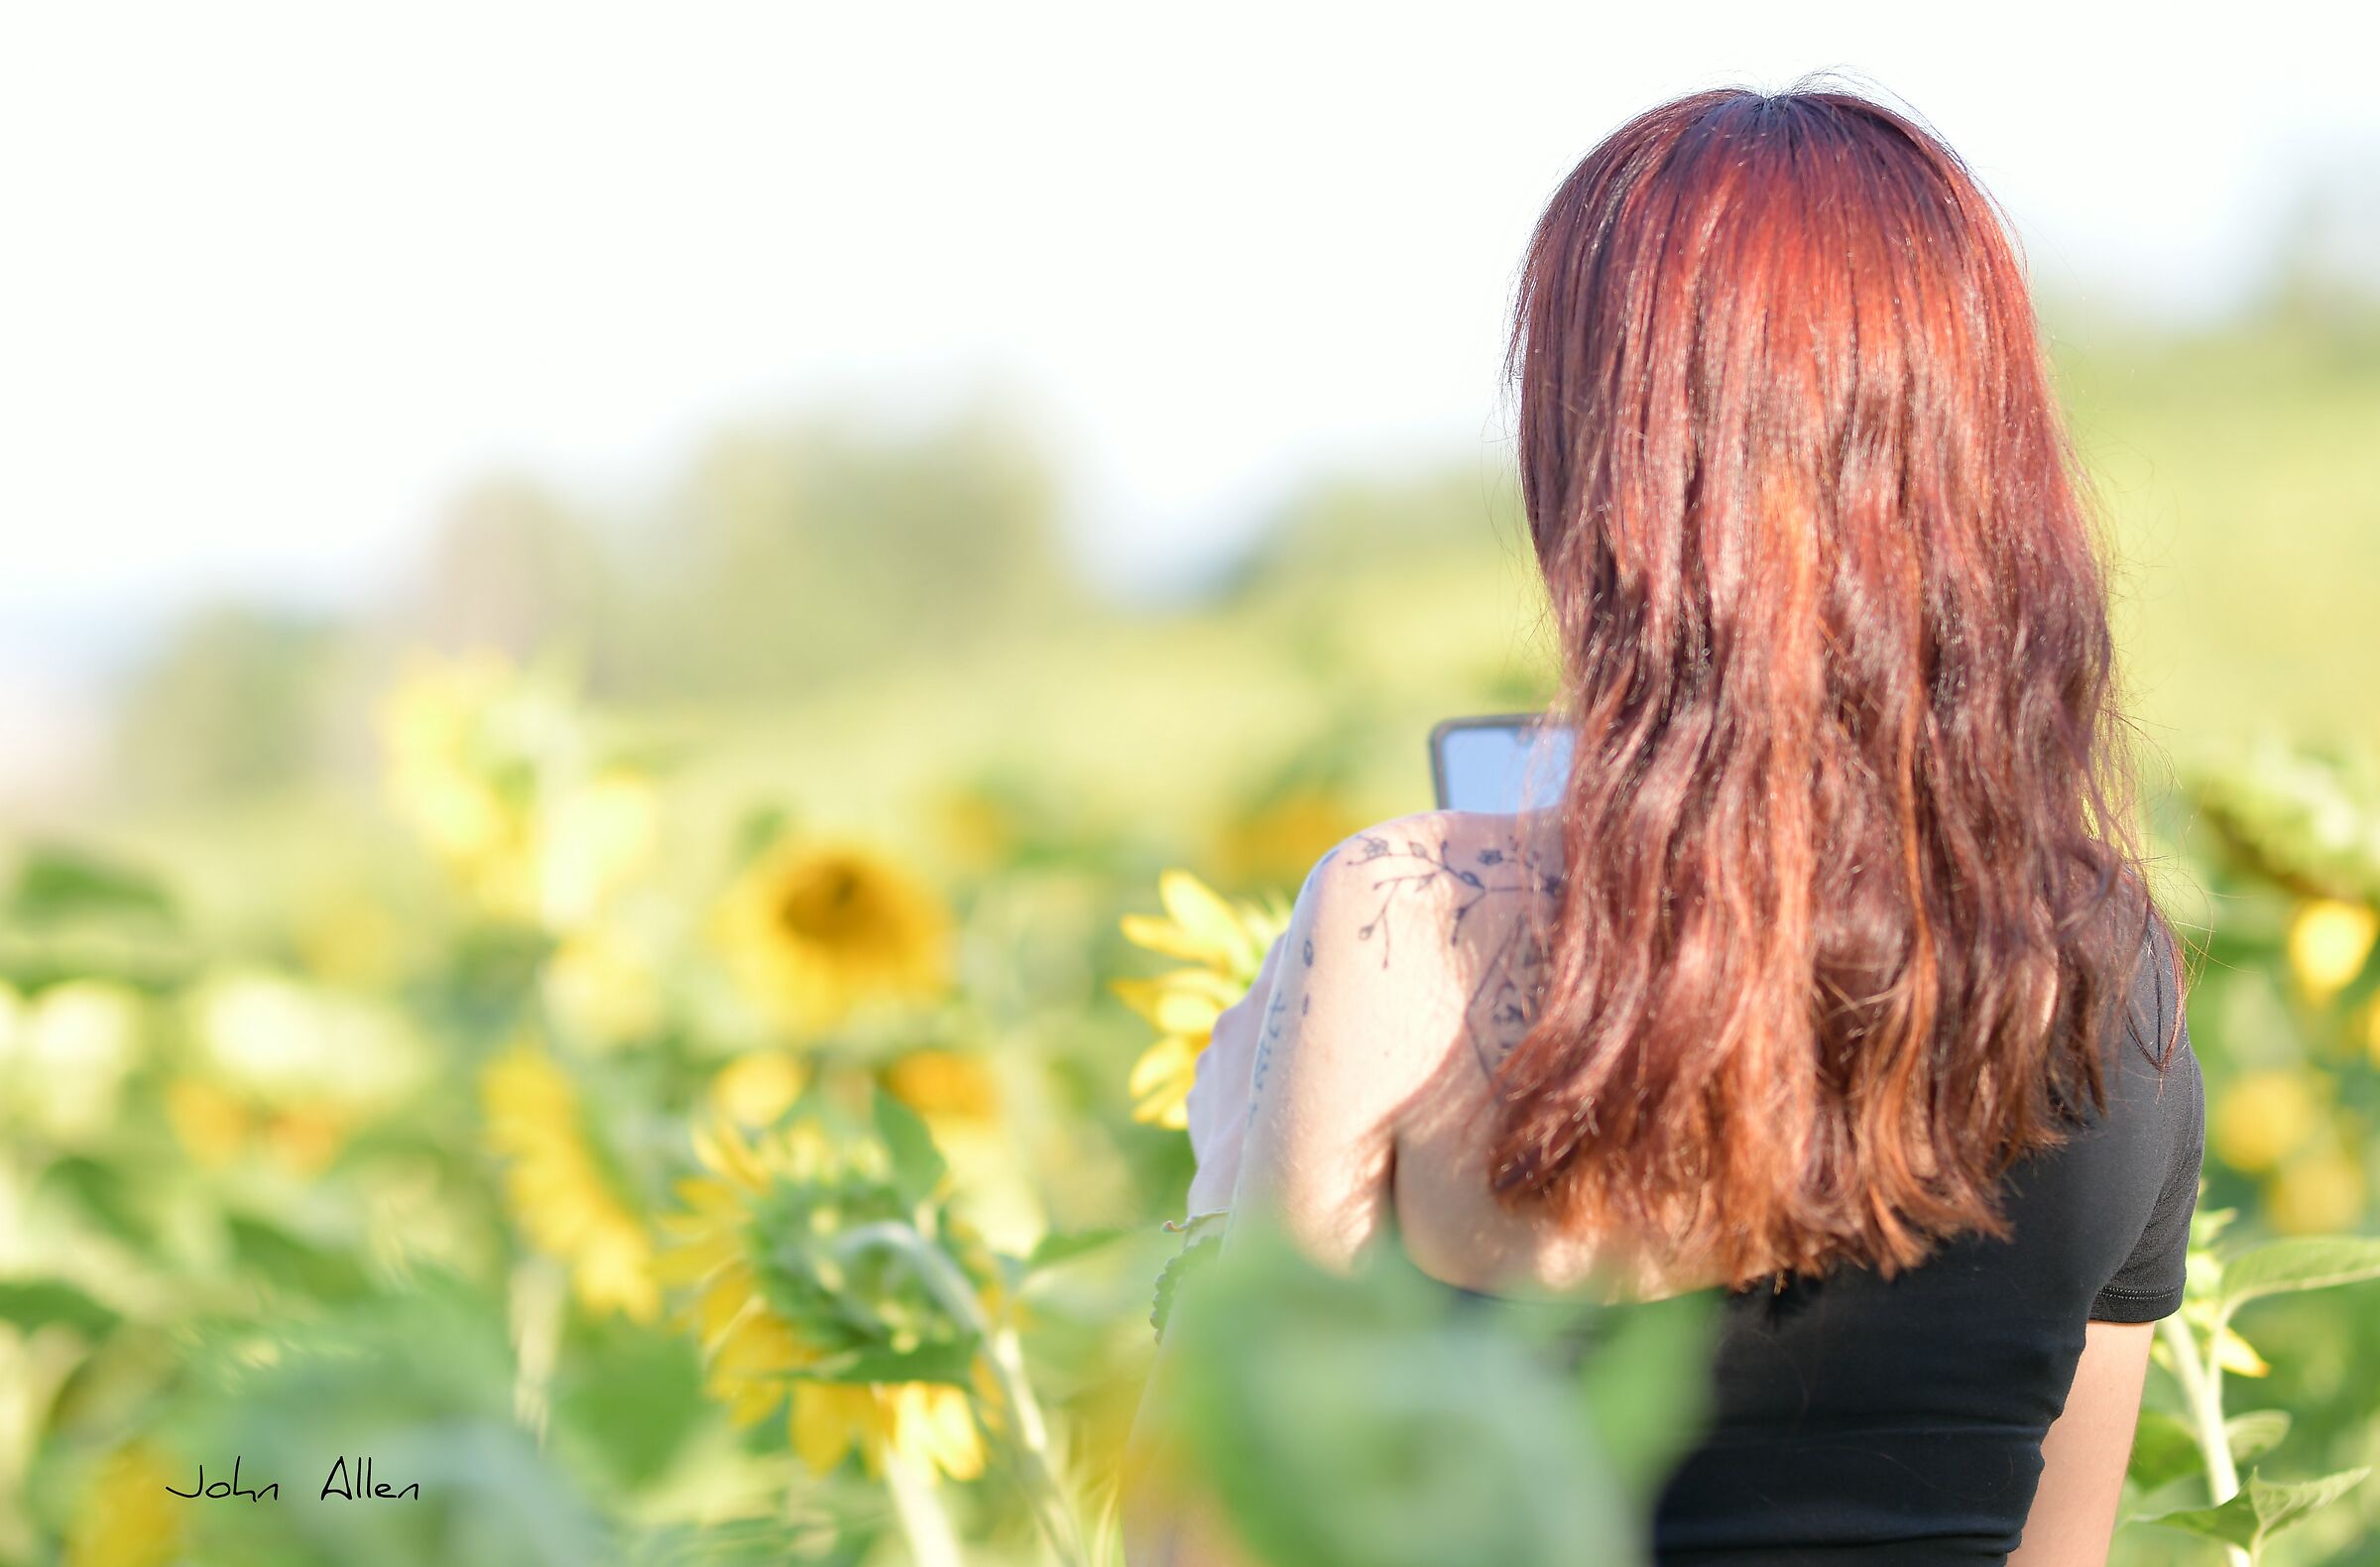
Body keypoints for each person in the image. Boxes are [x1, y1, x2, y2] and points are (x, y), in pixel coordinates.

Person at [1120, 81, 2203, 1567]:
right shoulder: (2109, 974)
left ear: (1615, 479)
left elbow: (1204, 1541)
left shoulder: (1408, 925)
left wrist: (1230, 1169)